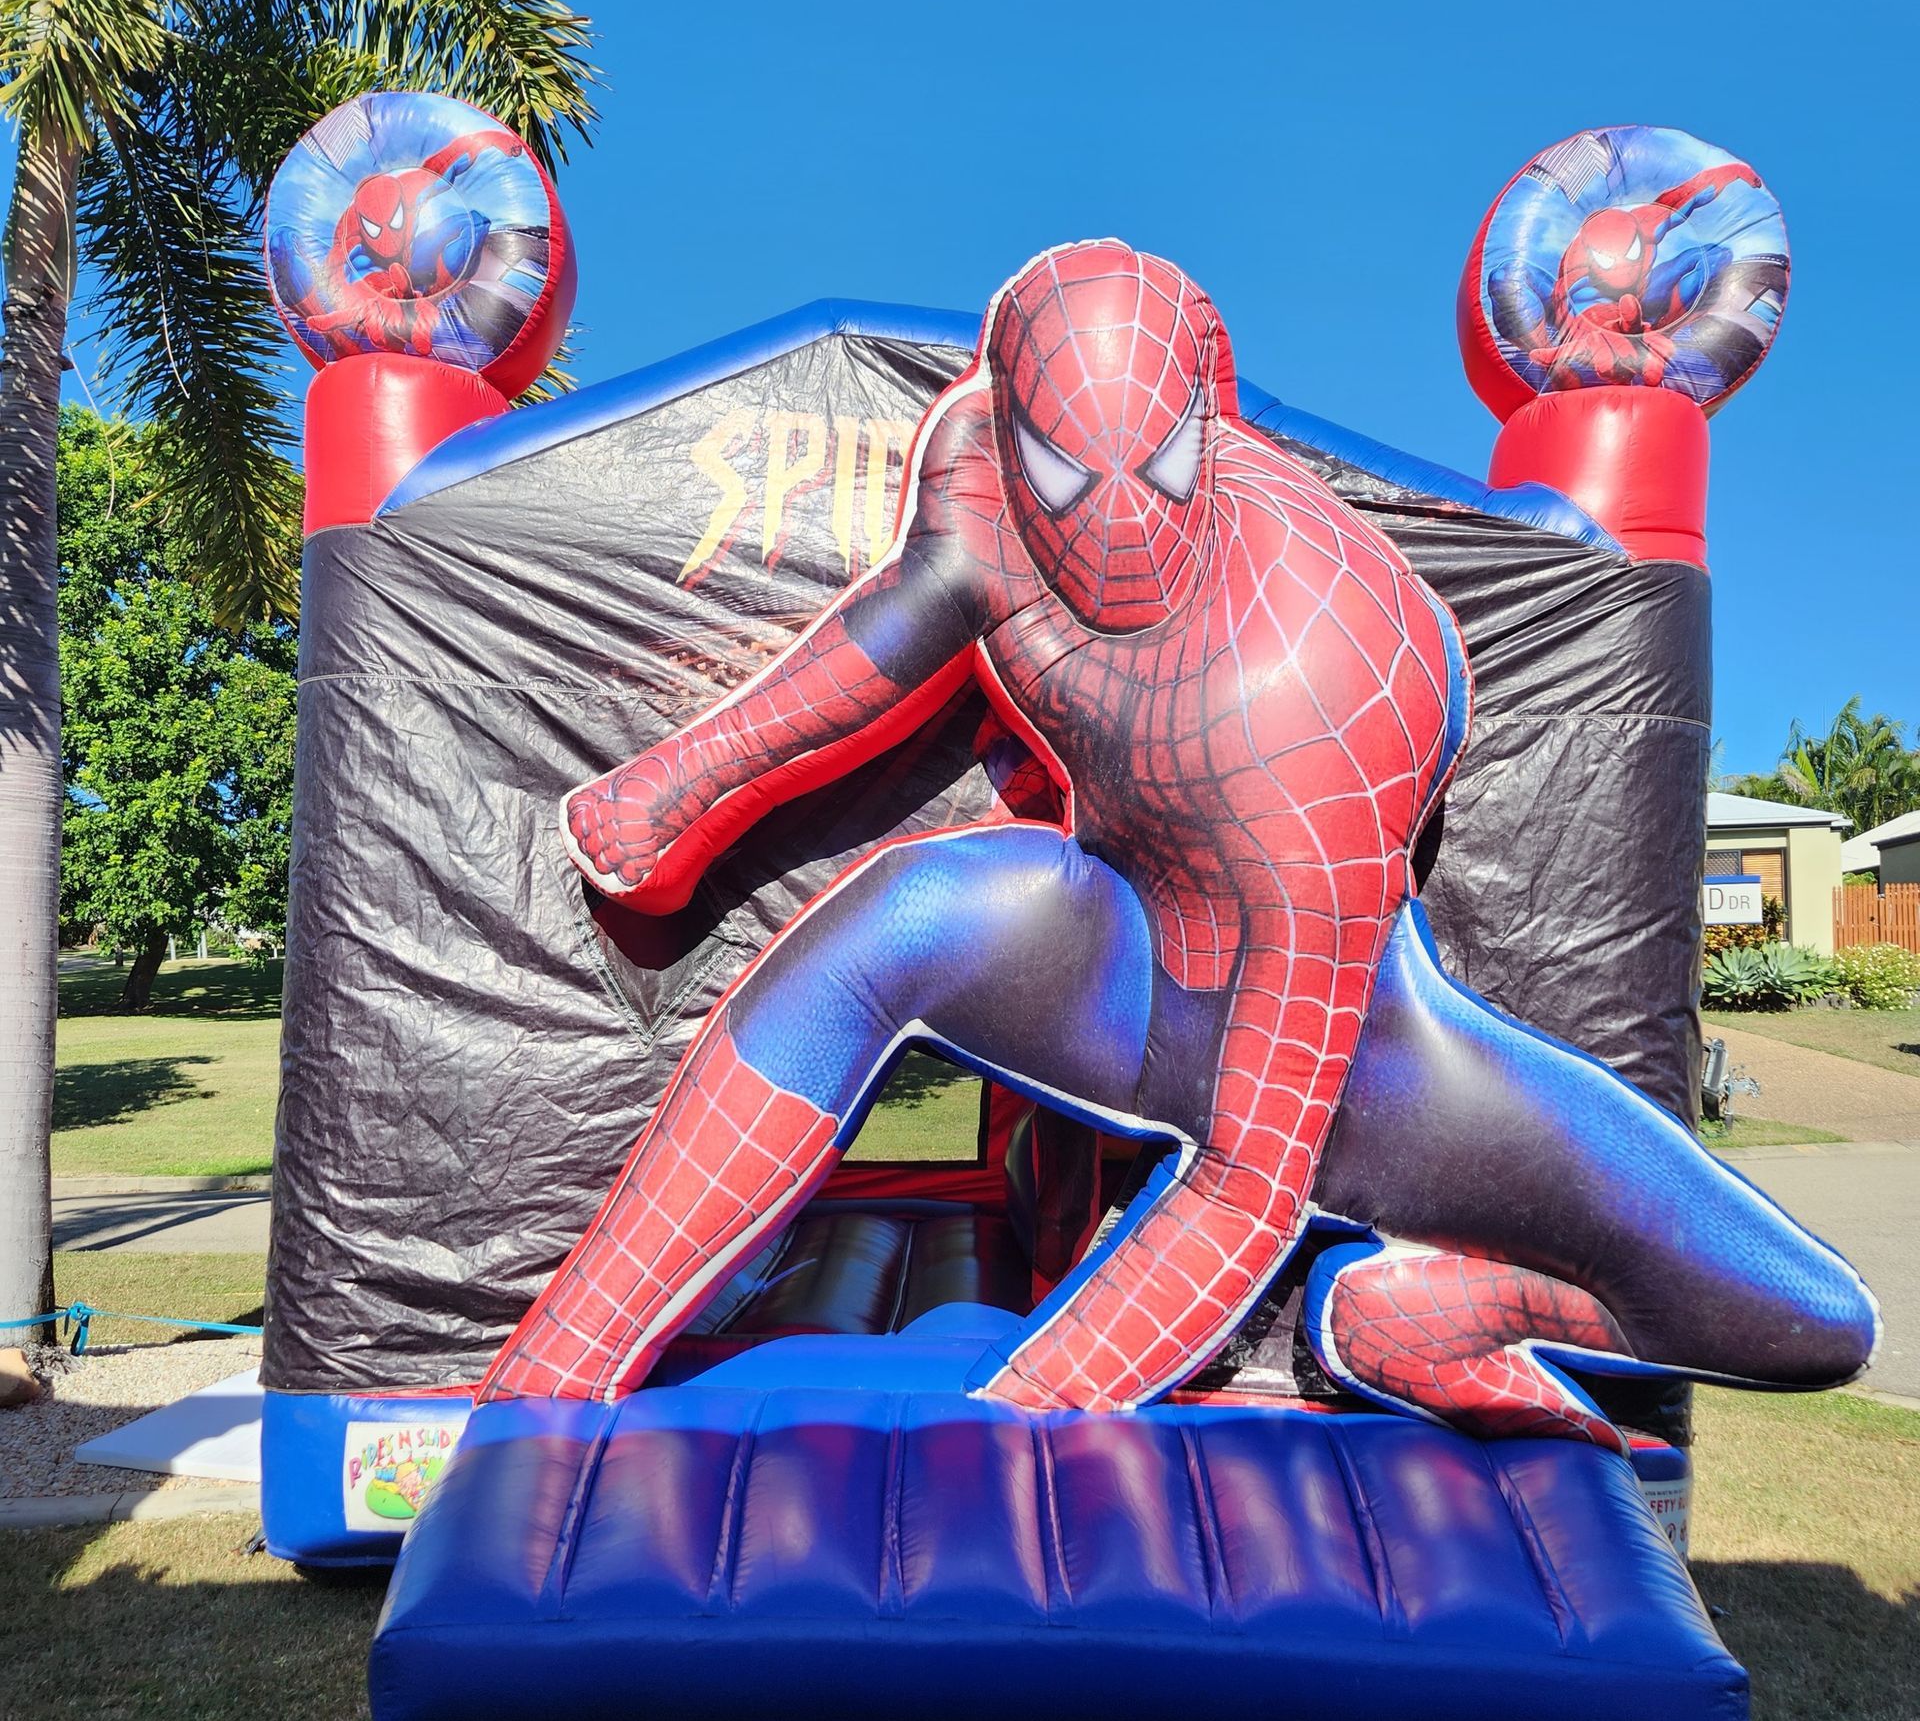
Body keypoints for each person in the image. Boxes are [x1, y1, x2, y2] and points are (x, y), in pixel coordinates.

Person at [478, 238, 1467, 1412]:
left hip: (1282, 949)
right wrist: (685, 781)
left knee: (1190, 1137)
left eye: (1156, 471)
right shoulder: (978, 468)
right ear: (1012, 429)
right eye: (1063, 474)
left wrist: (1012, 1435)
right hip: (1117, 900)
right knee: (895, 922)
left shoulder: (1321, 681)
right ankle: (545, 1383)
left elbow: (1254, 1177)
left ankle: (1391, 1321)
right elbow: (910, 618)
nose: (1116, 527)